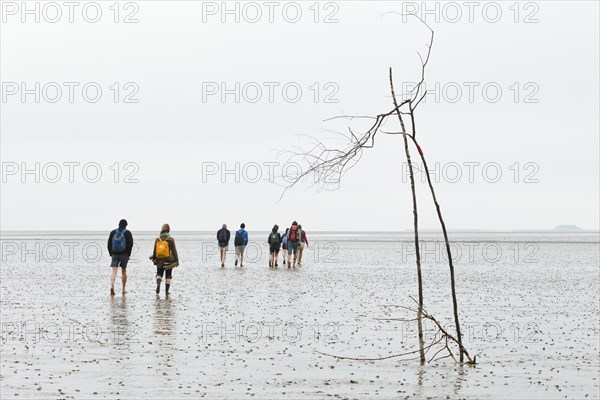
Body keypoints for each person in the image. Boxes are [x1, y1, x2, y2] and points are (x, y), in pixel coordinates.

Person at [150, 224, 179, 295]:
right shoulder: (171, 239)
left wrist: (154, 258)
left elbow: (155, 250)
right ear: (168, 230)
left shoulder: (157, 239)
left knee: (159, 273)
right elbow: (174, 251)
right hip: (169, 260)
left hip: (159, 260)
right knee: (168, 275)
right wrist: (177, 260)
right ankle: (166, 291)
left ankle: (158, 284)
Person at [107, 219, 133, 296]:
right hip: (124, 254)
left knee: (114, 271)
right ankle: (123, 289)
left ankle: (112, 286)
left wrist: (111, 253)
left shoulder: (113, 232)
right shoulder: (127, 233)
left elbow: (109, 244)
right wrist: (128, 254)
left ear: (119, 224)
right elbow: (130, 244)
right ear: (126, 225)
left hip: (114, 254)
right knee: (124, 271)